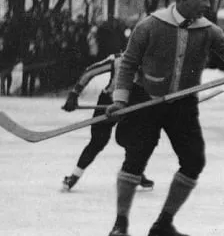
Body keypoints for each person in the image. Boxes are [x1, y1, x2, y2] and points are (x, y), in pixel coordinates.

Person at [104, 0, 224, 236]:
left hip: (183, 105)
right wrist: (120, 101)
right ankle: (120, 223)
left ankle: (163, 224)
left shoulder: (208, 30)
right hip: (147, 100)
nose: (208, 5)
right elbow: (128, 64)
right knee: (136, 158)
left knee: (194, 161)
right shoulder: (150, 25)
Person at [60, 54, 154, 192]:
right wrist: (74, 94)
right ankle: (74, 176)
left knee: (130, 140)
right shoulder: (118, 59)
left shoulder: (150, 62)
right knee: (98, 141)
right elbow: (90, 72)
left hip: (131, 105)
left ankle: (134, 173)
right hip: (108, 101)